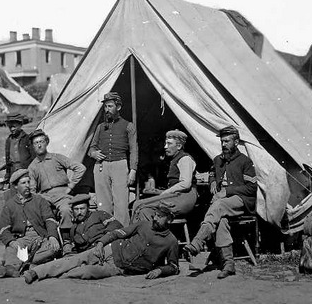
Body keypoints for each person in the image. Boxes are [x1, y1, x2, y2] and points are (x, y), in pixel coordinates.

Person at [23, 204, 178, 284]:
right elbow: (117, 233)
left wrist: (160, 270)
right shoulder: (143, 225)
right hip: (111, 250)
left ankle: (54, 276)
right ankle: (36, 272)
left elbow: (174, 266)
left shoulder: (171, 242)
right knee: (75, 259)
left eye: (160, 217)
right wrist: (100, 244)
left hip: (119, 268)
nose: (155, 218)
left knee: (85, 272)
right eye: (155, 215)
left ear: (169, 220)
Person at [183, 125, 258, 279]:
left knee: (219, 205)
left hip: (240, 201)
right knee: (222, 220)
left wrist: (227, 191)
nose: (223, 144)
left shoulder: (245, 162)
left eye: (227, 141)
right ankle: (228, 264)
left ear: (236, 142)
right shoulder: (218, 160)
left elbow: (251, 188)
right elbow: (212, 172)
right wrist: (212, 181)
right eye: (222, 141)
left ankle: (198, 241)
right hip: (222, 205)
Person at [0, 169, 61, 278]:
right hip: (22, 239)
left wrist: (52, 236)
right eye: (23, 183)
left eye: (28, 182)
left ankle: (24, 263)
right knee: (11, 249)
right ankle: (12, 269)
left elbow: (50, 220)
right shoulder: (10, 205)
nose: (27, 185)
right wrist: (12, 242)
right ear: (16, 186)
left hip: (40, 236)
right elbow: (3, 230)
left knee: (53, 249)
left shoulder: (39, 200)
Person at [27, 129, 86, 253]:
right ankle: (47, 242)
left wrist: (70, 186)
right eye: (36, 143)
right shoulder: (32, 167)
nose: (39, 145)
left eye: (41, 141)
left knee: (65, 210)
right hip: (45, 196)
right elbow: (32, 189)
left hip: (62, 194)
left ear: (46, 142)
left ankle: (67, 241)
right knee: (40, 213)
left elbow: (80, 168)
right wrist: (38, 199)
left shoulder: (57, 158)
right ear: (33, 146)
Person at [88, 92, 138, 227]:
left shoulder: (128, 126)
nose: (107, 110)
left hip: (120, 165)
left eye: (110, 106)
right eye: (105, 107)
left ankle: (122, 232)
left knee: (121, 203)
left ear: (118, 107)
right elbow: (91, 148)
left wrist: (133, 170)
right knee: (103, 204)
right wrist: (94, 154)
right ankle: (106, 232)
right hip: (101, 167)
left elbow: (134, 149)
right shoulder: (100, 127)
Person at [131, 129, 198, 222]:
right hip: (176, 196)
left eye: (169, 144)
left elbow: (185, 184)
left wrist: (166, 192)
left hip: (184, 198)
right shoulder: (173, 159)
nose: (165, 147)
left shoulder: (185, 159)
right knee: (144, 211)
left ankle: (134, 230)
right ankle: (144, 231)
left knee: (138, 204)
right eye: (165, 143)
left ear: (179, 146)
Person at [3, 113, 35, 186]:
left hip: (26, 171)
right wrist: (8, 173)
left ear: (20, 125)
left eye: (14, 126)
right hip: (13, 172)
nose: (12, 129)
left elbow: (33, 157)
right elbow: (8, 160)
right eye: (10, 127)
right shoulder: (9, 140)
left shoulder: (27, 139)